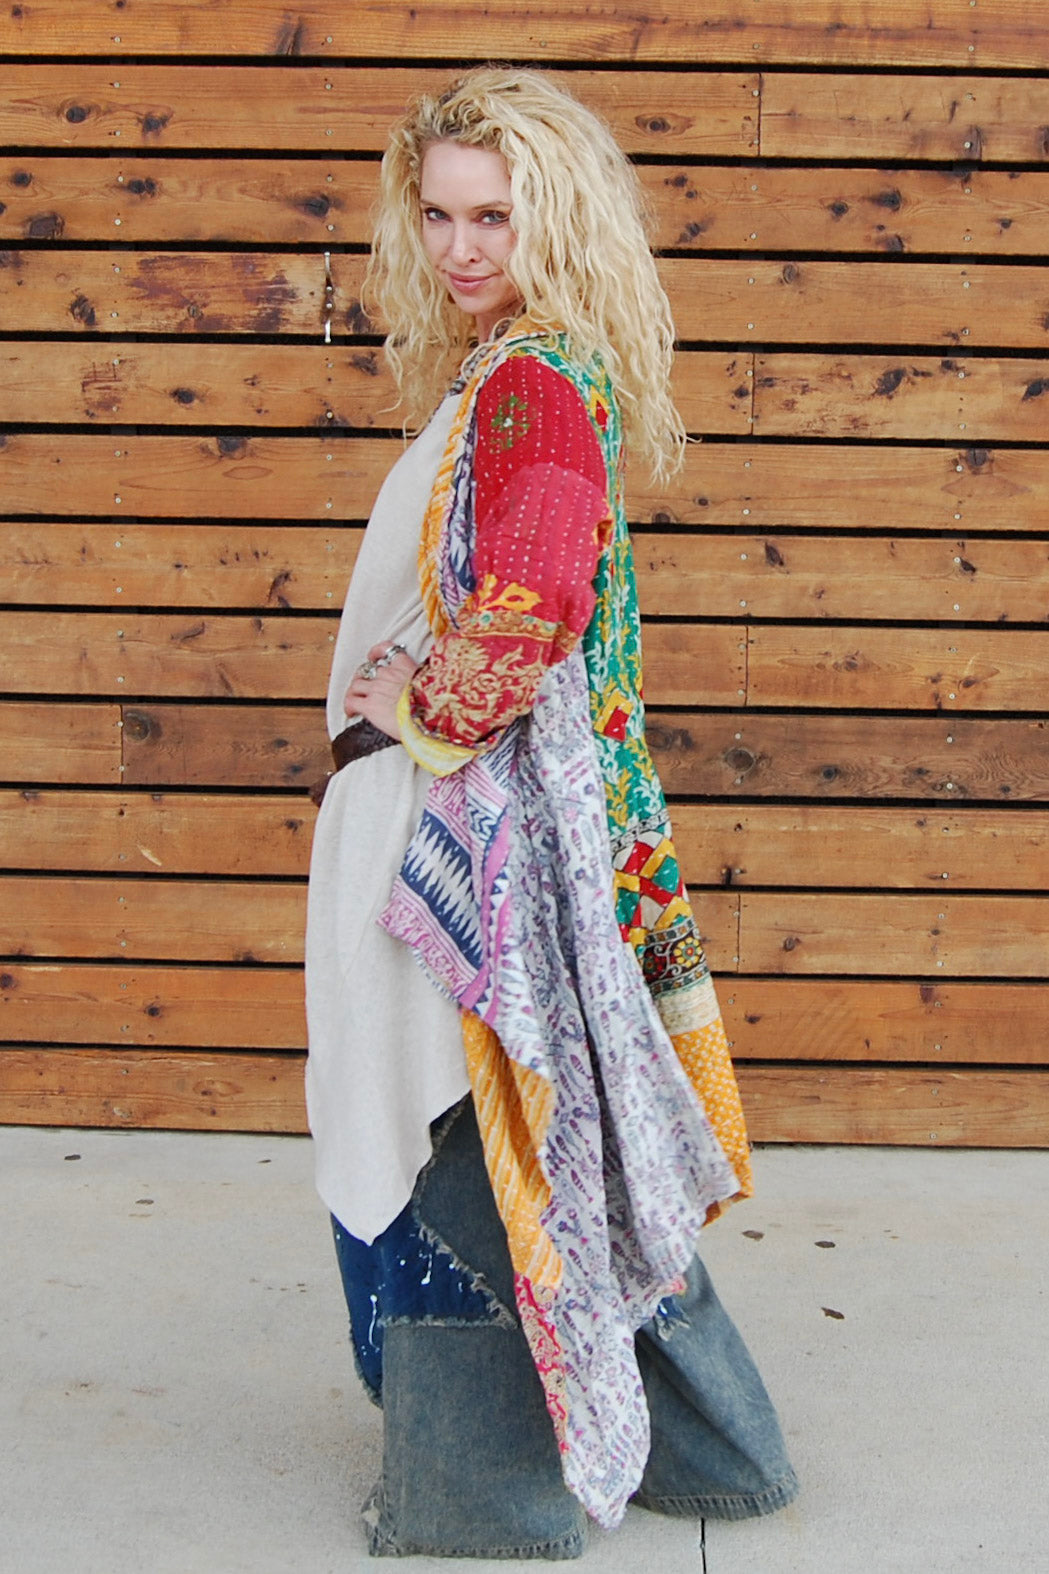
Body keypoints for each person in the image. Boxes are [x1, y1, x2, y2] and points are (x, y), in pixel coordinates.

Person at [304, 67, 798, 1560]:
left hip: (463, 841)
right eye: (439, 215)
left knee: (465, 1134)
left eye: (496, 218)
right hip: (469, 823)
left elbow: (529, 603)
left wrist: (420, 707)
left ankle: (487, 1493)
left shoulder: (529, 385)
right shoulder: (515, 372)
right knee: (553, 1130)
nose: (462, 249)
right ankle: (709, 1451)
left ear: (557, 220)